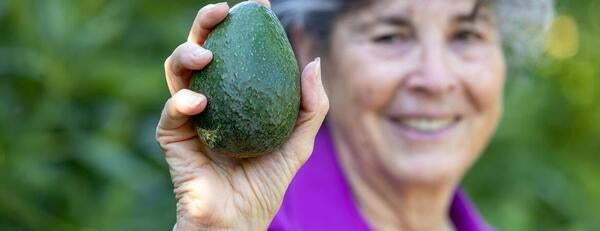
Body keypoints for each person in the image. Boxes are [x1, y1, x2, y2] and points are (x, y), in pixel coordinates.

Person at [156, 0, 553, 230]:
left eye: (466, 35)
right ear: (308, 48)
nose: (436, 79)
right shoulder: (257, 222)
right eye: (390, 36)